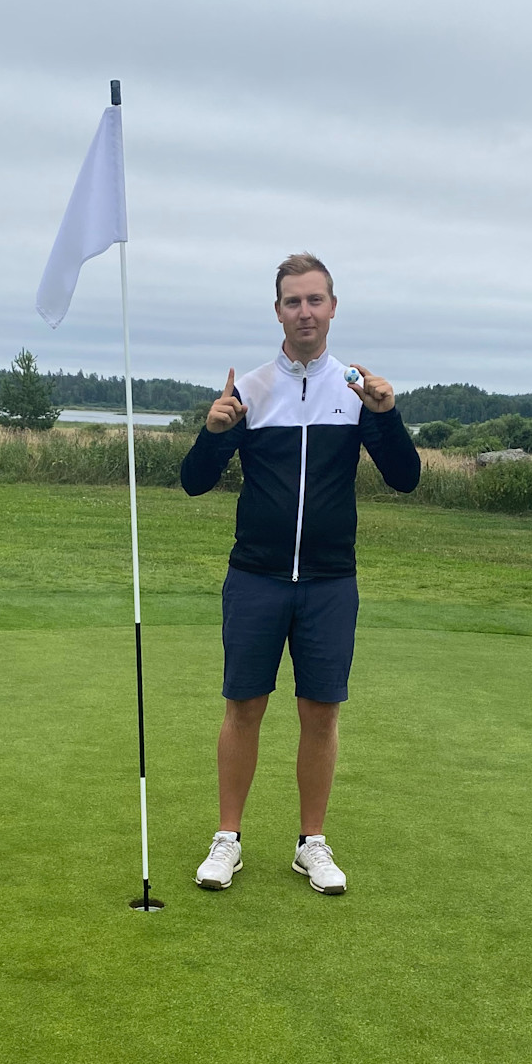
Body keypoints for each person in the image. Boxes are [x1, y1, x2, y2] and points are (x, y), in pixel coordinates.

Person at [179, 252, 421, 894]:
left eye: (316, 300)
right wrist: (213, 431)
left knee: (321, 712)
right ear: (278, 310)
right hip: (256, 577)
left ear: (333, 308)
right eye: (293, 301)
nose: (305, 312)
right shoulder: (251, 390)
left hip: (329, 581)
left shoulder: (357, 390)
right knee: (243, 708)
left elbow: (405, 478)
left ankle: (311, 843)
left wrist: (386, 415)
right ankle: (227, 839)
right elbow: (195, 483)